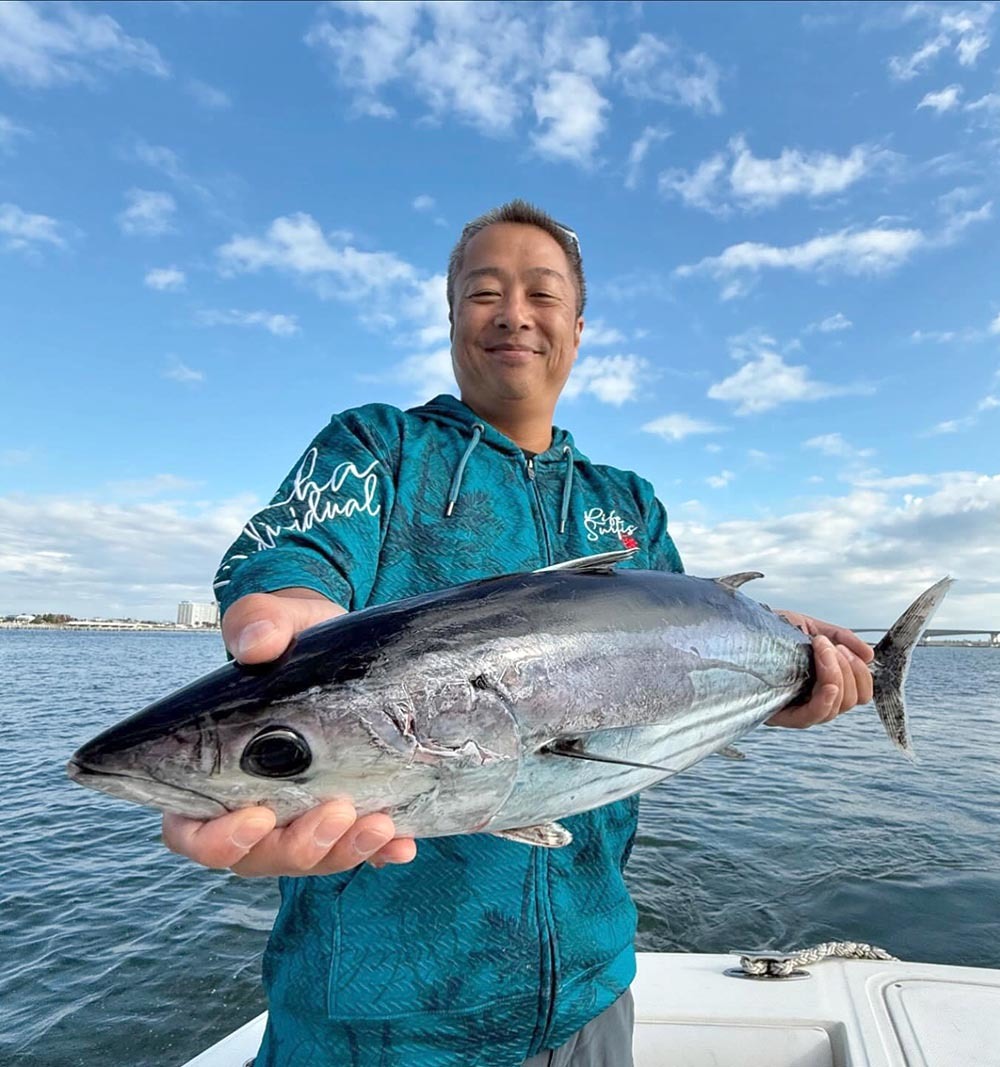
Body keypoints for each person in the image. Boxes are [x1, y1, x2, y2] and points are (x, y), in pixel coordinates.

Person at [163, 200, 874, 1067]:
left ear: (577, 324)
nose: (512, 313)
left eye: (541, 292)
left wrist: (783, 688)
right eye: (482, 292)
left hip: (591, 987)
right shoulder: (378, 448)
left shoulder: (628, 504)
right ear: (452, 314)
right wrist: (284, 608)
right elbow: (299, 552)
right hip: (379, 1020)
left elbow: (691, 663)